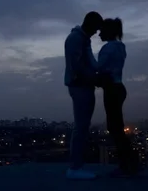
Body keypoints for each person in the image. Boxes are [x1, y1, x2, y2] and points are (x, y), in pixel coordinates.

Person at [64, 11, 104, 180]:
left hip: (84, 86)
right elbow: (76, 67)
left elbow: (88, 63)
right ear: (90, 24)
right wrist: (94, 78)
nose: (96, 32)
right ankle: (75, 168)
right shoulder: (75, 39)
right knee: (80, 127)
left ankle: (77, 166)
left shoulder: (83, 39)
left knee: (83, 126)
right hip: (80, 86)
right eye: (96, 28)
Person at [97, 18, 139, 177]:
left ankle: (127, 165)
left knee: (115, 128)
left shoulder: (108, 48)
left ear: (108, 31)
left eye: (101, 30)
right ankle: (129, 163)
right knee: (117, 127)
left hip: (112, 89)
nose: (99, 34)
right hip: (119, 88)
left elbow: (98, 68)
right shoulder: (121, 47)